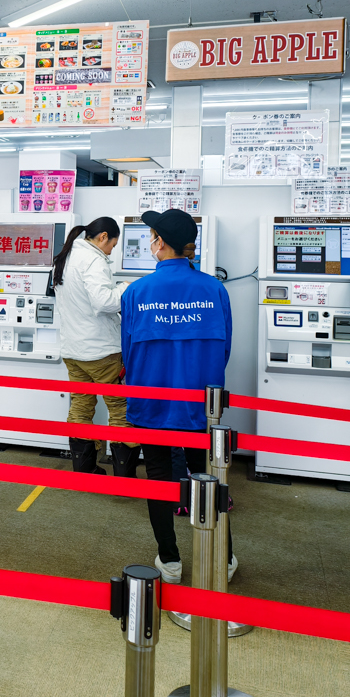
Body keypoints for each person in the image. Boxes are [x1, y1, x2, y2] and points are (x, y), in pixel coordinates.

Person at [121, 209, 234, 585]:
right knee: (208, 479)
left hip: (151, 403)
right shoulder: (215, 290)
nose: (150, 243)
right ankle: (225, 557)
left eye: (152, 237)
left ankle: (169, 561)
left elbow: (128, 353)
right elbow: (225, 350)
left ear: (160, 243)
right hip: (201, 406)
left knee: (157, 478)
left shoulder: (136, 292)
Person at [53, 217, 137, 477]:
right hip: (101, 351)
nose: (112, 250)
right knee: (120, 408)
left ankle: (84, 469)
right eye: (113, 243)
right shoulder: (93, 260)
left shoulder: (65, 256)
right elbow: (104, 303)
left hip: (72, 350)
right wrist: (126, 287)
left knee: (80, 405)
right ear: (102, 237)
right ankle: (124, 477)